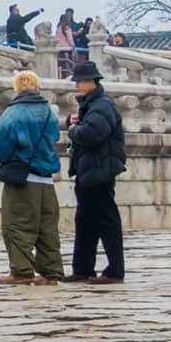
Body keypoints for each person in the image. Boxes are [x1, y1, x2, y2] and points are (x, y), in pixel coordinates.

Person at [0, 70, 64, 285]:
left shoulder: (13, 114)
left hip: (23, 178)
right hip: (46, 179)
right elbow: (54, 138)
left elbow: (1, 147)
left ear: (17, 89)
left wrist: (1, 158)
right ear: (37, 87)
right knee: (47, 228)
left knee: (17, 226)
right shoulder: (49, 112)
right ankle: (50, 272)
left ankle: (21, 271)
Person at [64, 60, 126, 283]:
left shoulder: (102, 105)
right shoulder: (92, 104)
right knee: (85, 221)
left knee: (106, 220)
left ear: (92, 82)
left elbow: (91, 134)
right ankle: (83, 268)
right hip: (88, 169)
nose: (77, 86)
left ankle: (115, 269)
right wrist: (72, 122)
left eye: (81, 82)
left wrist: (73, 130)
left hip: (100, 170)